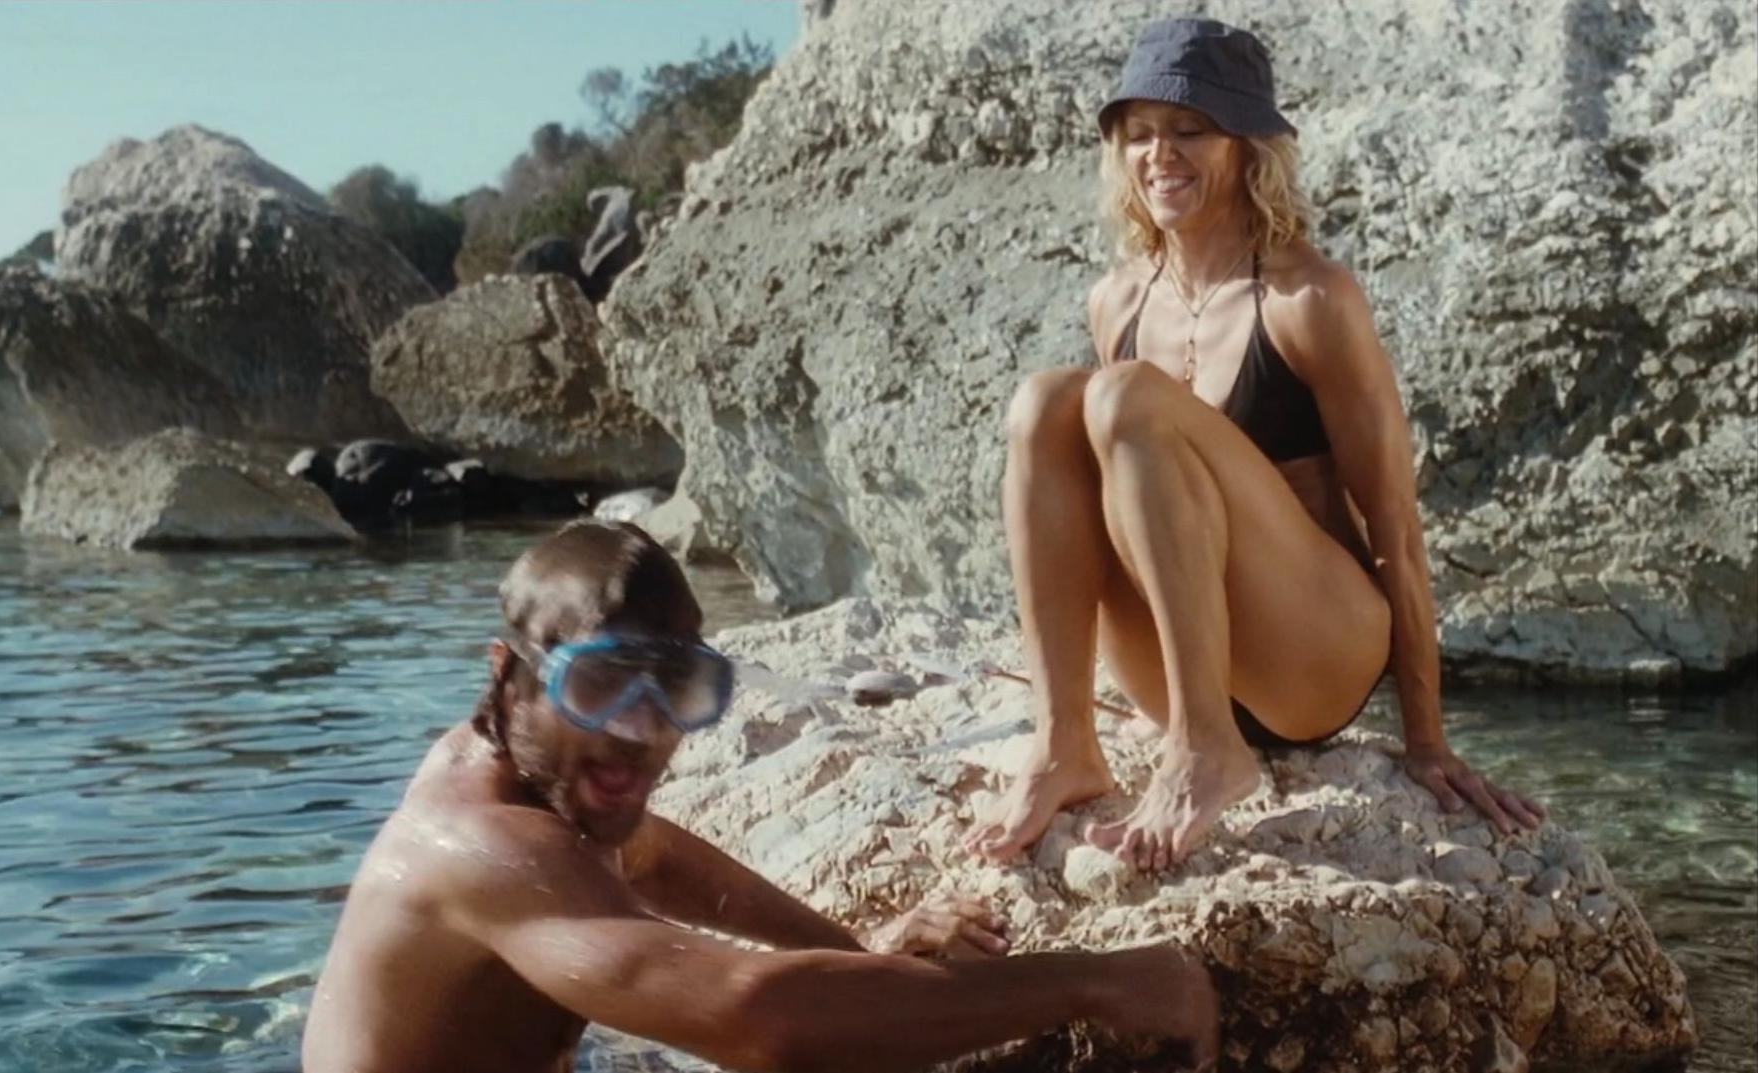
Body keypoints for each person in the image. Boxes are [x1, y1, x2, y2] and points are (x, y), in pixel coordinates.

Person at [303, 520, 1217, 1073]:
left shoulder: (548, 778)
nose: (640, 730)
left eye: (678, 691)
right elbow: (759, 1024)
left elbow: (654, 857)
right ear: (508, 673)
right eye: (599, 684)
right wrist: (1096, 980)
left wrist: (857, 955)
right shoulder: (480, 846)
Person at [964, 18, 1547, 871]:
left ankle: (1209, 749)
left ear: (1248, 147)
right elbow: (1124, 508)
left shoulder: (1310, 298)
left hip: (1310, 659)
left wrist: (1427, 742)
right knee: (1045, 401)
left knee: (1122, 393)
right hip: (1172, 671)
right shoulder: (1116, 300)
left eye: (1190, 129)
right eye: (1140, 134)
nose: (1160, 154)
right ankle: (1064, 746)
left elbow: (1396, 525)